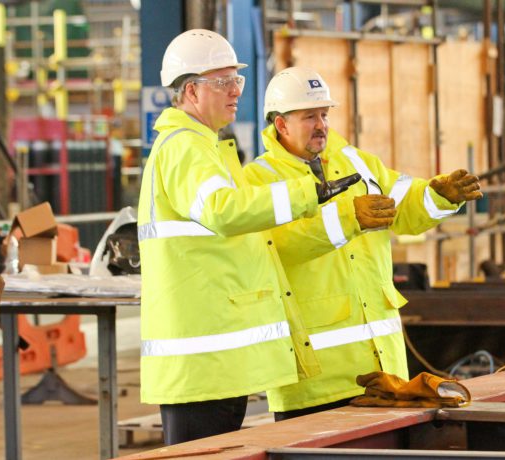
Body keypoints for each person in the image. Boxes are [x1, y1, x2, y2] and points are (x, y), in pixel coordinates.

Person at [138, 32, 359, 444]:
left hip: (216, 359)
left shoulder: (204, 146)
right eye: (222, 82)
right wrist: (307, 194)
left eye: (236, 80)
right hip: (203, 361)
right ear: (190, 90)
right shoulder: (184, 147)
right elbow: (222, 210)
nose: (236, 90)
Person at [244, 67, 483, 420]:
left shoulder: (355, 161)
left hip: (384, 372)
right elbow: (275, 246)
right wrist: (348, 218)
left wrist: (438, 196)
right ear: (281, 125)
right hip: (316, 381)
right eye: (309, 117)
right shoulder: (258, 180)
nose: (322, 125)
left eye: (324, 115)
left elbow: (402, 203)